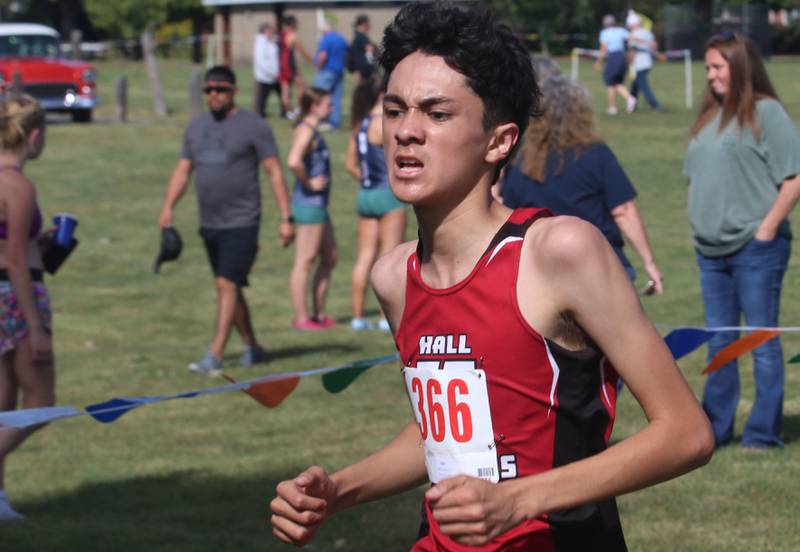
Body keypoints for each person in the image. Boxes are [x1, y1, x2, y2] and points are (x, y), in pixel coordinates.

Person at [271, 3, 713, 549]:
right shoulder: (394, 278)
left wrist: (519, 499)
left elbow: (685, 433)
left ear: (500, 141)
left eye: (436, 114)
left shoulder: (559, 250)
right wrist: (339, 490)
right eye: (394, 109)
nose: (407, 132)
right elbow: (445, 437)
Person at [684, 32, 800, 450]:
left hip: (756, 248)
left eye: (717, 66)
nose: (710, 75)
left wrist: (767, 227)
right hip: (710, 251)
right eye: (708, 67)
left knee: (761, 341)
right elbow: (696, 176)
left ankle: (762, 434)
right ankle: (716, 429)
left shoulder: (766, 113)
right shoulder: (708, 117)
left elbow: (794, 177)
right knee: (721, 341)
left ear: (740, 66)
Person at [158, 66, 294, 373]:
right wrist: (168, 206)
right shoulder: (195, 128)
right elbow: (183, 170)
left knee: (225, 283)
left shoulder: (253, 126)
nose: (214, 95)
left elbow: (273, 171)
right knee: (229, 287)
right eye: (209, 90)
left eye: (220, 89)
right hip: (210, 222)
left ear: (234, 91)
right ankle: (253, 347)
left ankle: (216, 354)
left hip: (242, 220)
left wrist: (286, 217)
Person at [499, 75, 663, 293]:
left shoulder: (521, 163)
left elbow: (509, 216)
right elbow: (623, 210)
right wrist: (649, 262)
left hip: (543, 276)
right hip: (601, 270)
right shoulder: (596, 155)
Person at [0, 95, 54, 520]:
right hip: (18, 297)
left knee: (4, 404)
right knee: (41, 401)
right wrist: (35, 326)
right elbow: (16, 259)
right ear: (33, 135)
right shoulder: (17, 185)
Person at [345, 77, 406, 331]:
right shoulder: (383, 126)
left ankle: (358, 317)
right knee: (389, 258)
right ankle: (385, 318)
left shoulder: (359, 126)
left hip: (365, 194)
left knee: (364, 257)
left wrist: (366, 178)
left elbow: (350, 164)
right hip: (386, 195)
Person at [287, 88, 338, 330]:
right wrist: (310, 183)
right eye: (328, 103)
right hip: (309, 205)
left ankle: (319, 313)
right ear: (314, 106)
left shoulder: (313, 130)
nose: (332, 107)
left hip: (319, 206)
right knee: (305, 261)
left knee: (330, 256)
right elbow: (293, 161)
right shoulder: (306, 130)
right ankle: (301, 318)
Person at [594, 14, 636, 115]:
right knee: (617, 83)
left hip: (613, 58)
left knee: (610, 83)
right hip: (622, 57)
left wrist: (598, 62)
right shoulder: (621, 31)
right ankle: (626, 101)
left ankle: (614, 107)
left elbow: (603, 48)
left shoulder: (605, 33)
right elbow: (631, 39)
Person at [312, 19, 349, 131]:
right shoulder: (341, 39)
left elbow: (323, 56)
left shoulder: (326, 39)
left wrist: (318, 67)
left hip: (327, 71)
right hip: (339, 71)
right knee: (336, 98)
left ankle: (319, 120)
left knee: (319, 96)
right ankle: (335, 124)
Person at [278, 15, 313, 120]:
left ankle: (289, 112)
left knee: (285, 90)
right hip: (289, 64)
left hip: (282, 64)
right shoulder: (293, 35)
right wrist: (310, 60)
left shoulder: (282, 34)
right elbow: (301, 50)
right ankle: (298, 109)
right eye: (296, 23)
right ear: (292, 24)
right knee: (302, 87)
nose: (298, 25)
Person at [626, 11, 662, 112]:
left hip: (638, 63)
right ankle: (632, 105)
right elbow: (655, 47)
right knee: (635, 85)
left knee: (643, 85)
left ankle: (655, 104)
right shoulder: (647, 32)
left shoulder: (632, 35)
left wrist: (629, 63)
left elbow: (632, 51)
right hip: (648, 62)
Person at [252, 22, 281, 118]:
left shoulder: (269, 41)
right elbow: (261, 61)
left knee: (280, 93)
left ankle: (285, 111)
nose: (272, 32)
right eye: (270, 30)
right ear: (266, 31)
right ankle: (259, 114)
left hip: (273, 75)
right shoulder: (261, 42)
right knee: (261, 98)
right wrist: (271, 72)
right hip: (264, 76)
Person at [349, 14, 376, 83]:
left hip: (360, 69)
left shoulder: (357, 37)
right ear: (364, 24)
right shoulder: (361, 37)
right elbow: (369, 49)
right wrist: (371, 64)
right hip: (364, 69)